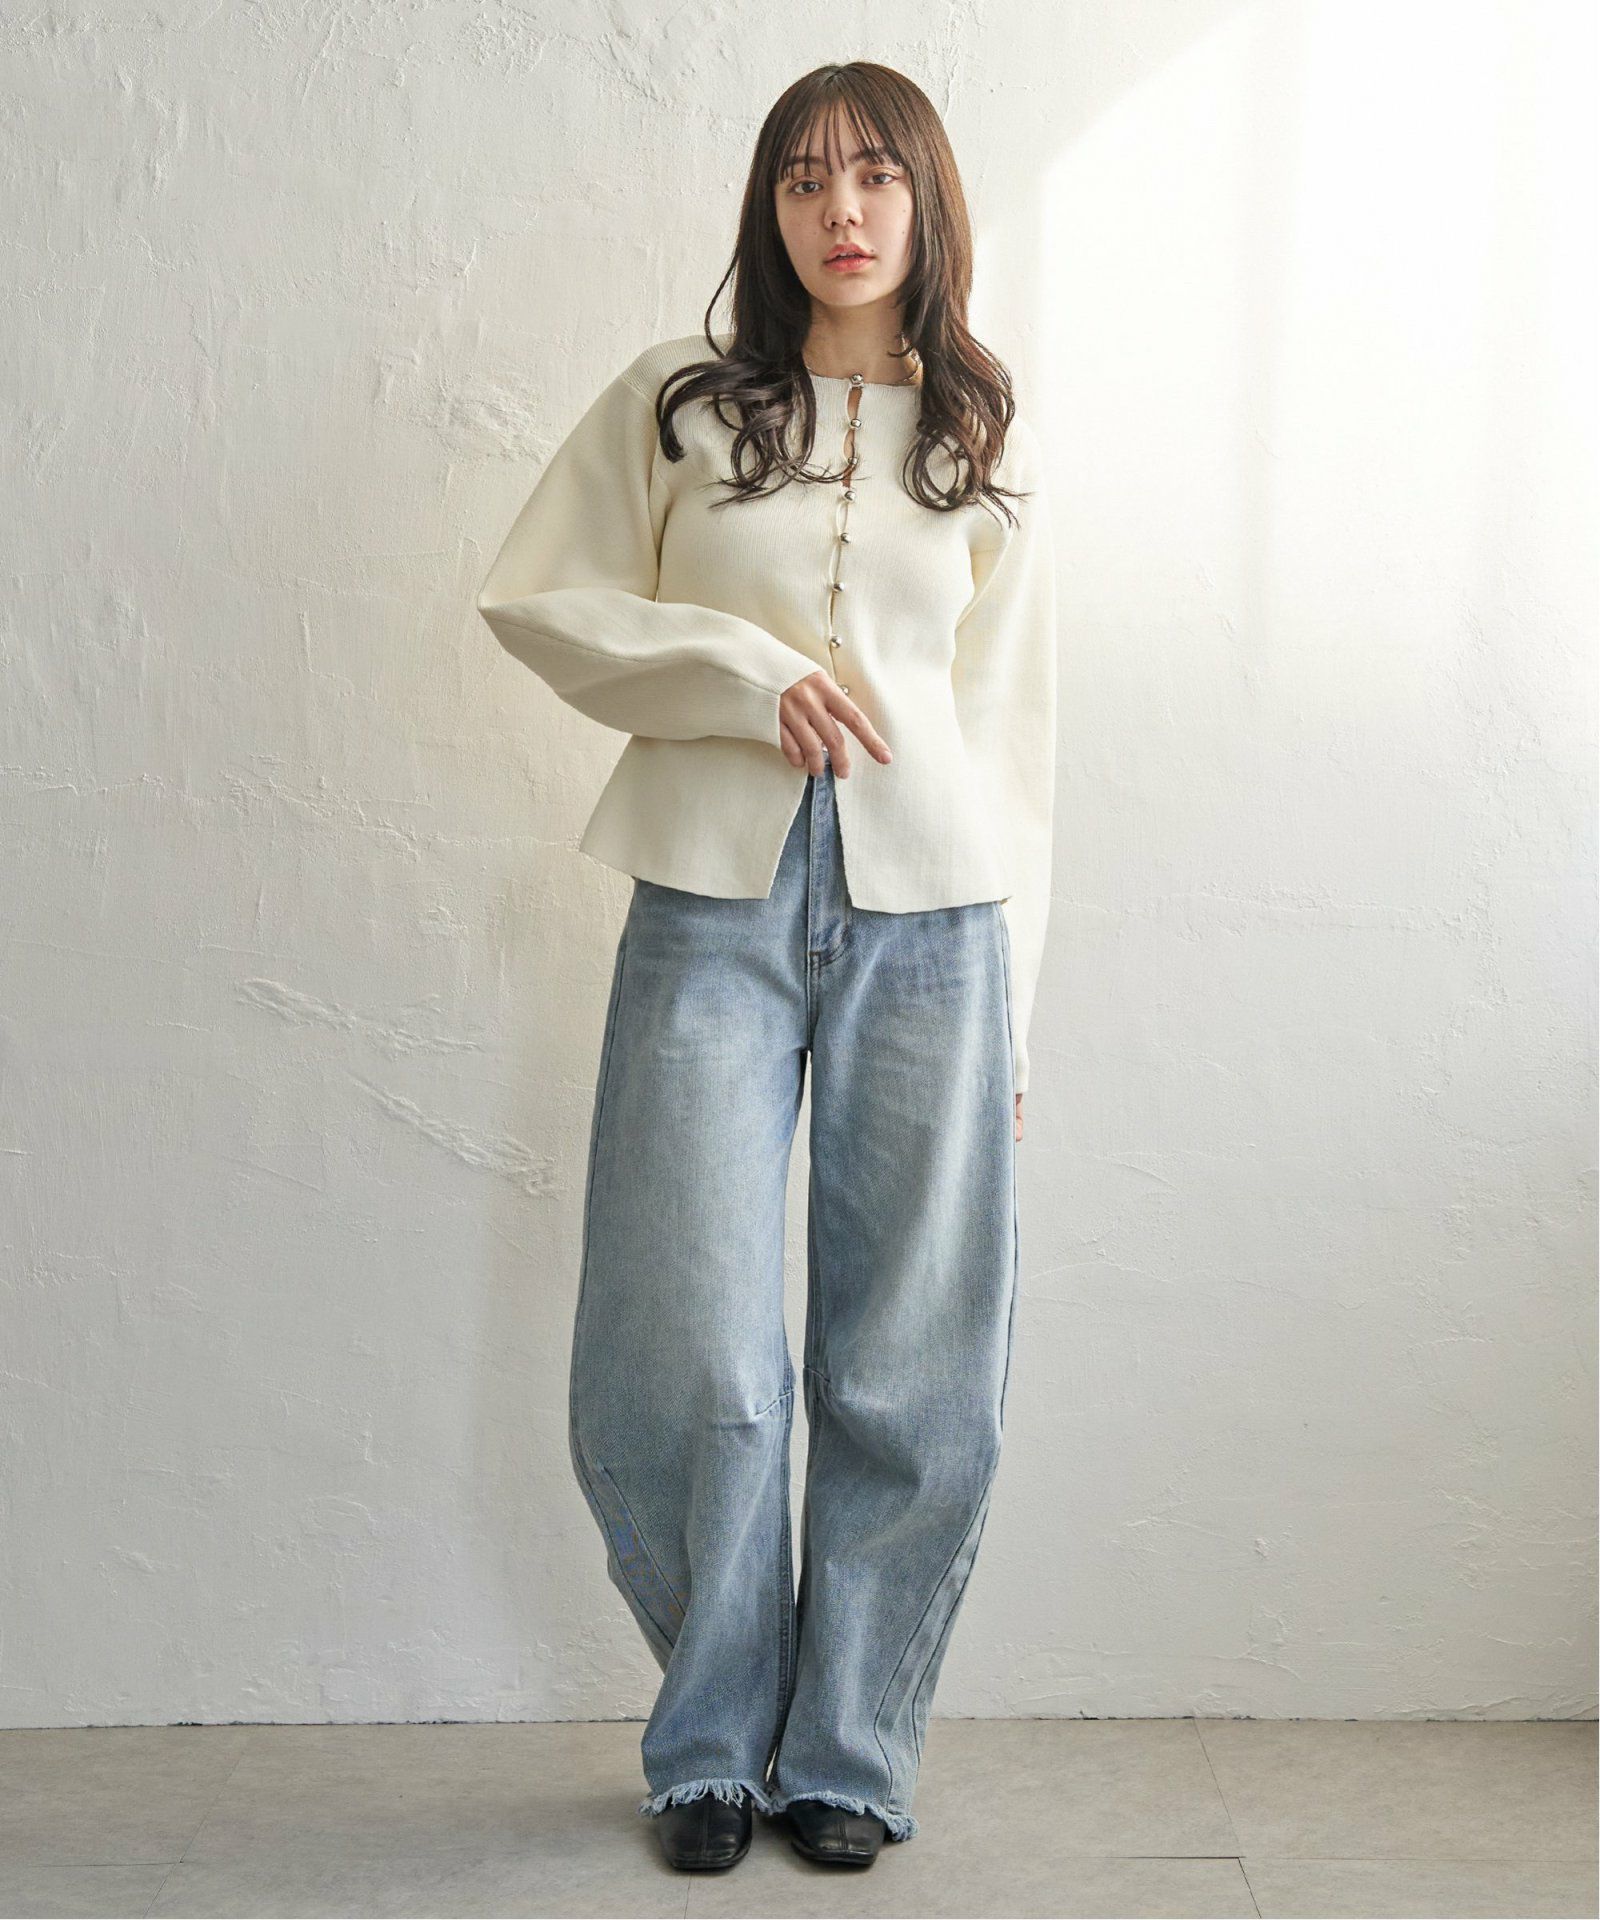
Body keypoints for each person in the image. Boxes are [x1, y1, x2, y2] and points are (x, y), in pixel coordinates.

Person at [476, 60, 1058, 1874]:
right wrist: (742, 676)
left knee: (910, 1358)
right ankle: (712, 1738)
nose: (842, 211)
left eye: (875, 175)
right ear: (770, 208)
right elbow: (540, 599)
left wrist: (1019, 1020)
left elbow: (1015, 743)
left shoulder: (983, 437)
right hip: (709, 902)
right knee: (689, 1341)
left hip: (937, 923)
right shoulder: (681, 403)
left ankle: (849, 1754)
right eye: (806, 180)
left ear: (927, 200)